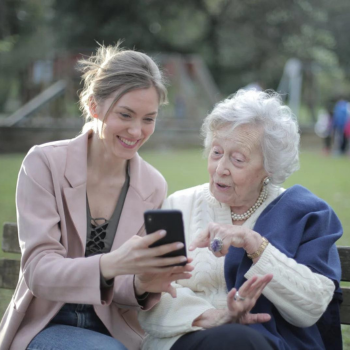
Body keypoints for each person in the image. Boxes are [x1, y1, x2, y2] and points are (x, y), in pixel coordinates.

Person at [0, 44, 194, 350]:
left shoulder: (153, 185)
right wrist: (110, 263)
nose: (136, 130)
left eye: (149, 118)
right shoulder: (44, 163)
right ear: (93, 106)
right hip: (45, 325)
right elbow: (39, 271)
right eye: (125, 114)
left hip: (115, 332)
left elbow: (124, 287)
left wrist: (143, 284)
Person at [138, 89, 343, 350]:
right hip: (185, 339)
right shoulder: (179, 205)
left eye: (237, 159)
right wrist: (212, 317)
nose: (220, 168)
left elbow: (313, 306)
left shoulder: (305, 214)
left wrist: (255, 245)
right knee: (236, 340)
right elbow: (150, 292)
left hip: (267, 344)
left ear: (269, 167)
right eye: (216, 152)